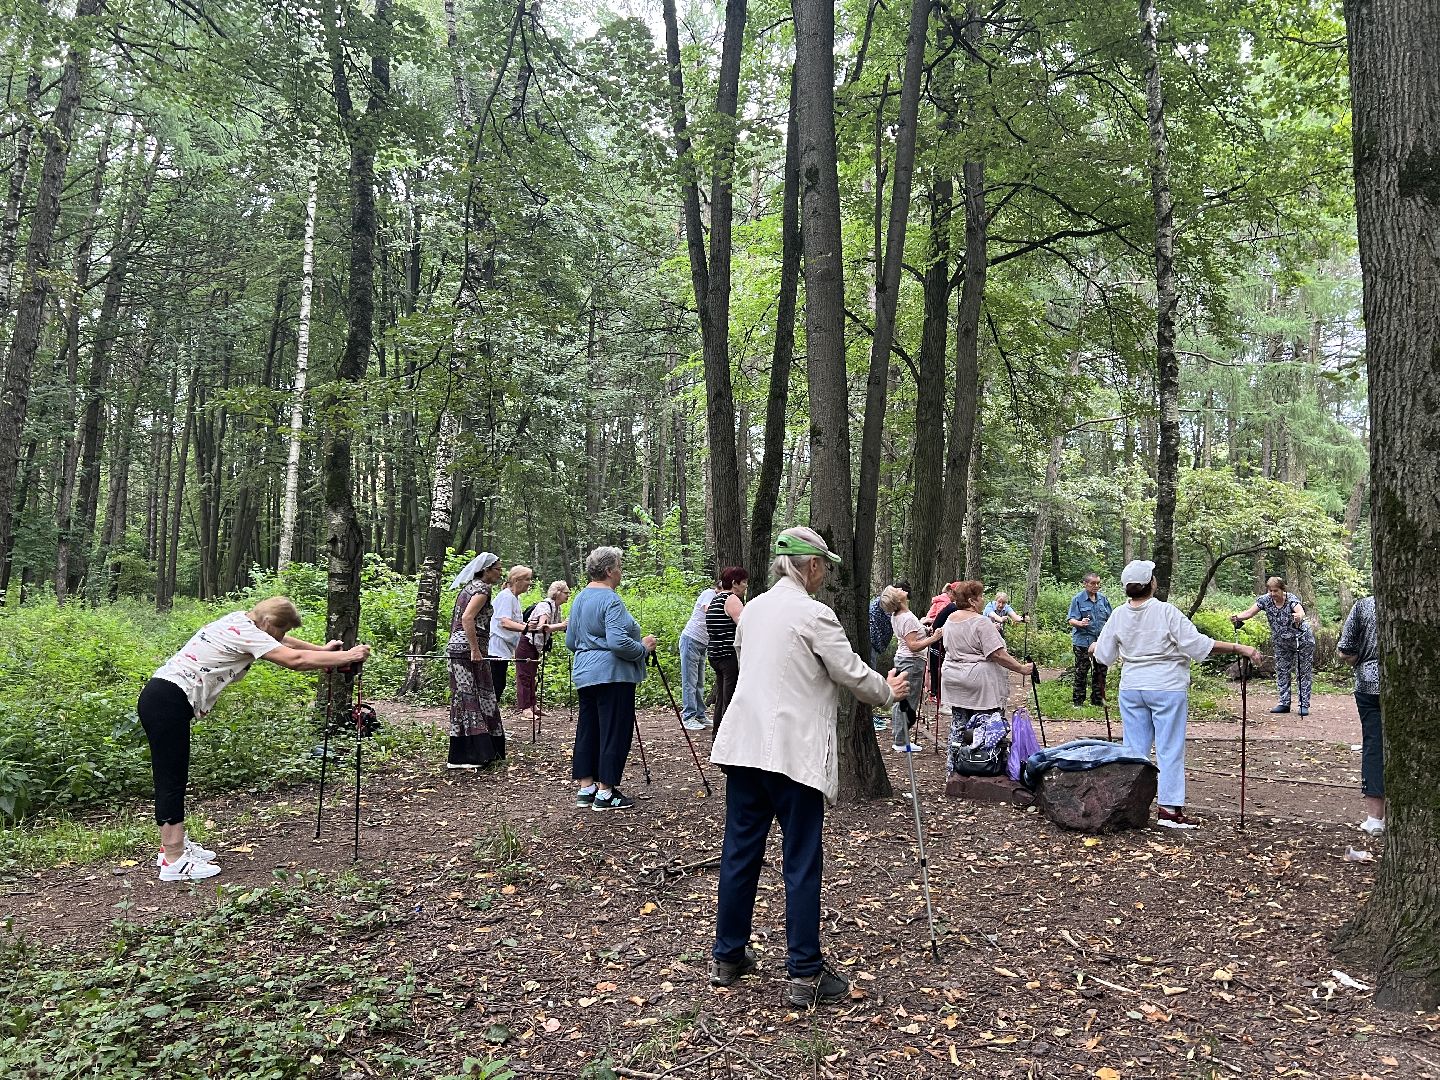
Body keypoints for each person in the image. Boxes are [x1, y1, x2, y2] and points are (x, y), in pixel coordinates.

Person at [709, 527, 910, 1009]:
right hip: (792, 755)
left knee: (740, 852)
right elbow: (849, 671)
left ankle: (728, 957)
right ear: (812, 566)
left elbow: (749, 662)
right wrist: (889, 691)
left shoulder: (752, 609)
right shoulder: (815, 614)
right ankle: (804, 972)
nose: (827, 576)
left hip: (744, 748)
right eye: (826, 567)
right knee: (800, 860)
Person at [138, 596, 371, 882]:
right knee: (171, 778)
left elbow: (291, 644)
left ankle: (175, 847)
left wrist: (322, 651)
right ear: (269, 622)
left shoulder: (241, 620)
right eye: (281, 630)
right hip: (167, 701)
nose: (282, 637)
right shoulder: (249, 631)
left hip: (164, 698)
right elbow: (293, 659)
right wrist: (349, 656)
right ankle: (173, 860)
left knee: (175, 776)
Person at [1092, 560, 1260, 829]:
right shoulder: (1166, 612)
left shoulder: (1118, 615)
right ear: (1151, 584)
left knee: (1134, 749)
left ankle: (1131, 804)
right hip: (1166, 687)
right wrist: (1240, 649)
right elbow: (1197, 645)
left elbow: (1104, 655)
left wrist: (1096, 646)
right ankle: (1169, 811)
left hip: (1132, 687)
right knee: (1169, 748)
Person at [566, 546, 656, 811]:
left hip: (585, 673)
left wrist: (592, 648)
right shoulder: (611, 600)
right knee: (614, 731)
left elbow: (571, 641)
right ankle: (606, 792)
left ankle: (586, 788)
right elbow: (618, 643)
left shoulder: (580, 598)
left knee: (589, 729)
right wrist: (642, 648)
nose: (621, 571)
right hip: (613, 675)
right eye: (619, 566)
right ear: (608, 571)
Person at [939, 580, 1034, 734]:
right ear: (971, 601)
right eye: (981, 596)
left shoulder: (950, 619)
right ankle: (983, 758)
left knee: (959, 727)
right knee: (985, 729)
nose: (983, 600)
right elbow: (997, 654)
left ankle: (956, 756)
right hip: (979, 685)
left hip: (953, 678)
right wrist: (1021, 668)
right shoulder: (981, 622)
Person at [447, 552, 508, 770]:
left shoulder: (470, 588)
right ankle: (468, 754)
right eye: (498, 569)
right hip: (466, 650)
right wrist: (474, 648)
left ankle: (482, 749)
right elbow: (467, 618)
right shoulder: (482, 589)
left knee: (476, 696)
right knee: (469, 697)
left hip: (464, 648)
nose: (501, 573)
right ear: (486, 570)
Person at [1231, 577, 1315, 717]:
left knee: (1302, 671)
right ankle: (1284, 703)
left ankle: (1303, 704)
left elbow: (1300, 611)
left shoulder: (1291, 599)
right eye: (1270, 590)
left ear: (1283, 590)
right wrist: (1238, 617)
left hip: (1301, 639)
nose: (1273, 593)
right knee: (1282, 670)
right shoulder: (1265, 600)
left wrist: (1298, 617)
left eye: (1276, 590)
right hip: (1281, 642)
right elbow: (1250, 612)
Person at [1338, 595, 1384, 837]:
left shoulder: (1364, 606)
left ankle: (1375, 818)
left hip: (1369, 685)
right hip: (1415, 686)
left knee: (1374, 745)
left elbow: (1346, 649)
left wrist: (1362, 661)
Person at [879, 585, 943, 752]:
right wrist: (934, 637)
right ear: (898, 599)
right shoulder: (906, 617)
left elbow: (910, 636)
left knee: (901, 700)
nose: (901, 588)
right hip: (911, 662)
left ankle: (899, 737)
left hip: (905, 660)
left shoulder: (900, 615)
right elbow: (913, 645)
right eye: (897, 589)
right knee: (908, 701)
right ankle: (901, 741)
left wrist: (922, 627)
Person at [515, 579, 570, 715]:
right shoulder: (545, 606)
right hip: (526, 642)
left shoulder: (557, 607)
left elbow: (554, 627)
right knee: (524, 675)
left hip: (536, 645)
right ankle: (525, 708)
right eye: (566, 592)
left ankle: (533, 706)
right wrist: (563, 625)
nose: (568, 595)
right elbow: (542, 628)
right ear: (557, 593)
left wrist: (565, 626)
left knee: (532, 674)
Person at [706, 566, 749, 738]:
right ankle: (727, 739)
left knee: (722, 698)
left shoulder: (715, 600)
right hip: (728, 656)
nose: (745, 586)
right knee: (730, 699)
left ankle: (717, 736)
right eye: (743, 582)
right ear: (734, 583)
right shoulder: (731, 599)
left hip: (715, 656)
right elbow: (745, 626)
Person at [488, 564, 534, 702]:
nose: (529, 582)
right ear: (516, 580)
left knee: (499, 685)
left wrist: (526, 626)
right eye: (527, 579)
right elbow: (505, 622)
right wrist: (526, 628)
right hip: (495, 649)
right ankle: (488, 719)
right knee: (496, 685)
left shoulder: (514, 598)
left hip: (505, 648)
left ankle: (490, 719)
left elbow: (513, 622)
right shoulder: (506, 597)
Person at [1067, 572, 1113, 707]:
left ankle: (1098, 701)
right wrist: (1080, 623)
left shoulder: (1103, 599)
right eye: (1093, 583)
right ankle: (1078, 702)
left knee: (1101, 670)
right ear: (1085, 584)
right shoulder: (1077, 599)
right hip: (1082, 641)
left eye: (1098, 583)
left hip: (1100, 641)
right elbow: (1071, 619)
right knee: (1082, 671)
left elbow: (1111, 618)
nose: (1096, 586)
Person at [679, 580, 718, 731]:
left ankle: (700, 714)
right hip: (691, 641)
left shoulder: (721, 597)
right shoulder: (709, 593)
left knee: (699, 681)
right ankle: (688, 716)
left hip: (702, 644)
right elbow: (709, 610)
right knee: (690, 681)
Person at [867, 578, 912, 670]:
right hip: (872, 641)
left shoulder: (885, 602)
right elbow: (900, 621)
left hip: (875, 642)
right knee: (871, 669)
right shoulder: (886, 603)